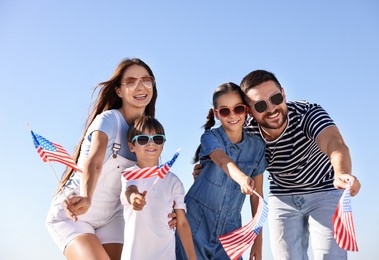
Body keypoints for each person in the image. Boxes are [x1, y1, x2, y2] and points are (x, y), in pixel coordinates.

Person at [45, 58, 176, 260]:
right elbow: (94, 161)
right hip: (76, 210)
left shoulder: (150, 134)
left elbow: (150, 185)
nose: (140, 86)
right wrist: (87, 197)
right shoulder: (108, 120)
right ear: (119, 91)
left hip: (113, 216)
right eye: (131, 81)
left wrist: (170, 212)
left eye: (146, 80)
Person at [239, 69, 362, 259]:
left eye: (276, 98)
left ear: (284, 94)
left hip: (324, 189)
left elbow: (334, 143)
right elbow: (224, 153)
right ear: (249, 111)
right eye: (261, 106)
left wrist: (341, 172)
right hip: (282, 196)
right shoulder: (248, 132)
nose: (272, 109)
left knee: (331, 256)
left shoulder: (307, 113)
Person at [176, 82, 268, 260]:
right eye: (225, 111)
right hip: (196, 223)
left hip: (231, 230)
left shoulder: (257, 146)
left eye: (238, 109)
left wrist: (258, 240)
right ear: (217, 114)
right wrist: (242, 178)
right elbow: (222, 160)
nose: (232, 115)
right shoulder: (210, 137)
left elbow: (258, 197)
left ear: (246, 110)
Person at [120, 116, 196, 260]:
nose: (151, 143)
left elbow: (182, 223)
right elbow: (130, 190)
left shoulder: (174, 182)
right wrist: (134, 198)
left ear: (162, 145)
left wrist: (193, 258)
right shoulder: (129, 174)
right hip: (134, 255)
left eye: (157, 139)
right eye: (143, 139)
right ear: (131, 146)